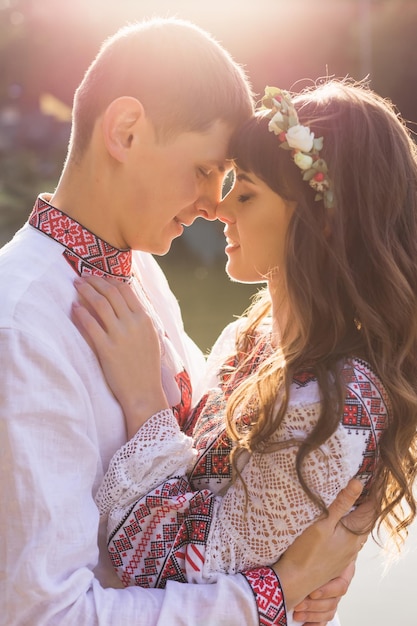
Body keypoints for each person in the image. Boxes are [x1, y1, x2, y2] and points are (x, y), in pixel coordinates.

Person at [0, 17, 367, 626]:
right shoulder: (21, 326)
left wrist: (310, 545)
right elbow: (49, 615)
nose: (212, 202)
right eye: (204, 170)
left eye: (225, 180)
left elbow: (212, 469)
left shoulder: (138, 270)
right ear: (125, 131)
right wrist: (277, 588)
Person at [72, 80, 417, 625]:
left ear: (324, 221)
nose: (220, 206)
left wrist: (143, 403)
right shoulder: (251, 337)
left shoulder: (337, 404)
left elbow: (171, 568)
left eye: (247, 192)